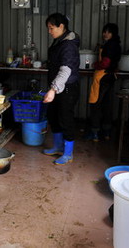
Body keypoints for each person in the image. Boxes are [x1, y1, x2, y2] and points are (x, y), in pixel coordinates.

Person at [42, 13, 80, 165]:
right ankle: (57, 146)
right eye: (48, 28)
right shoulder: (59, 41)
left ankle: (68, 153)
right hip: (56, 86)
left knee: (66, 120)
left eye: (51, 28)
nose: (49, 31)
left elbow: (66, 70)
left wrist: (53, 90)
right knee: (53, 116)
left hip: (68, 88)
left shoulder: (68, 44)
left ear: (61, 26)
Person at [85, 23, 122, 141]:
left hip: (102, 77)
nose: (105, 34)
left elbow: (105, 63)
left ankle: (94, 132)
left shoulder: (109, 46)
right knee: (107, 105)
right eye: (104, 31)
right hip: (111, 77)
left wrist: (95, 64)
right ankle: (106, 132)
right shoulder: (117, 45)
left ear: (113, 33)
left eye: (108, 32)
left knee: (95, 104)